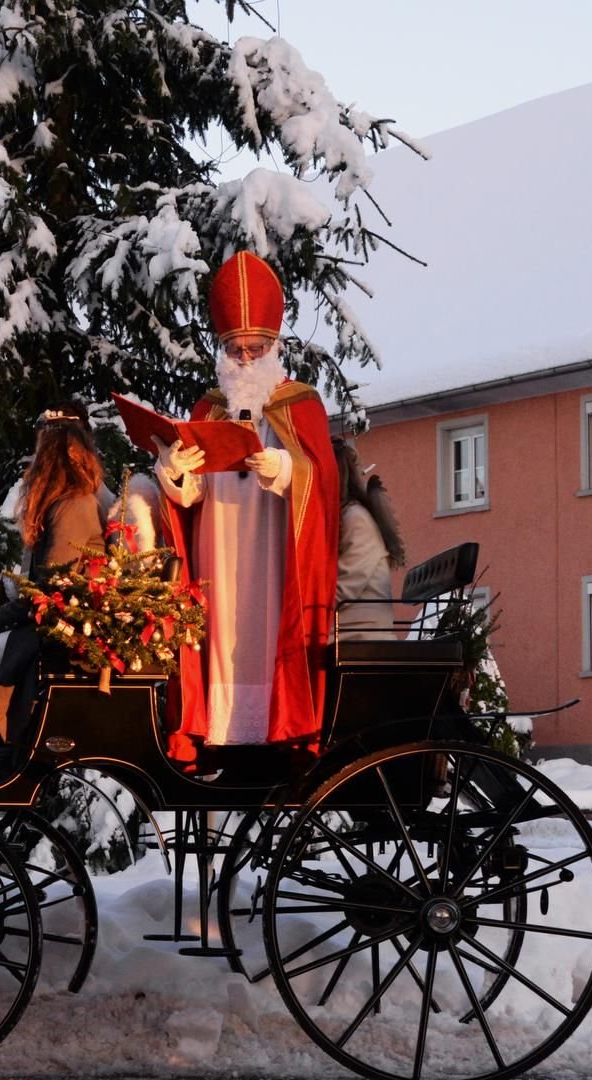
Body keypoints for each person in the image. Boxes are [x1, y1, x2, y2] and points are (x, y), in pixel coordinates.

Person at [154, 251, 340, 754]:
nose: (244, 360)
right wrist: (176, 472)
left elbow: (323, 480)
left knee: (262, 638)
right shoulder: (207, 408)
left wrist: (285, 470)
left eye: (255, 349)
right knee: (221, 638)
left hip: (273, 554)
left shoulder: (299, 404)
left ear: (274, 346)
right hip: (218, 551)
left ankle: (277, 734)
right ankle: (221, 734)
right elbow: (189, 499)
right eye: (235, 349)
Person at [0, 405, 110, 781]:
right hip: (51, 621)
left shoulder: (74, 503)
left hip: (62, 628)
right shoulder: (64, 501)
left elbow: (50, 587)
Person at [334, 440, 408, 641]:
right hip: (351, 624)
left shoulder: (356, 519)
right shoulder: (348, 516)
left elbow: (344, 590)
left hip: (359, 631)